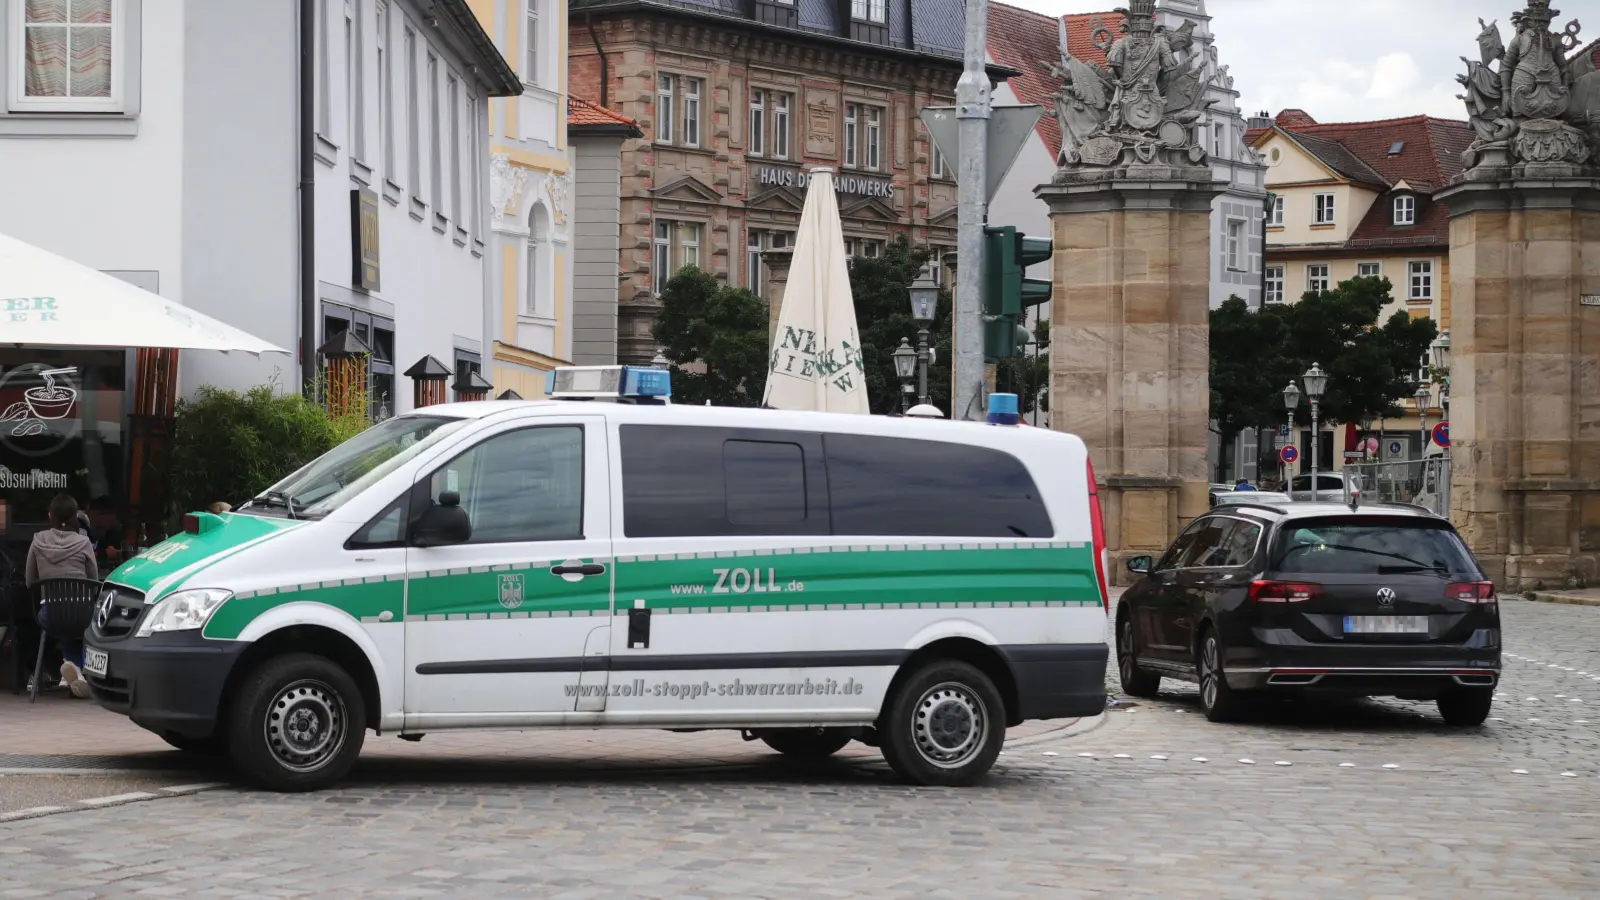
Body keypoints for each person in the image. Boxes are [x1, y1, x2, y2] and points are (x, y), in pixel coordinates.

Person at [24, 494, 98, 698]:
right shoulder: (84, 542)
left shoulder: (38, 541)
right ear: (76, 516)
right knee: (78, 617)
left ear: (50, 515)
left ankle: (72, 669)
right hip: (83, 614)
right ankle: (78, 670)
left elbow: (30, 581)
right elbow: (94, 579)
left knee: (61, 614)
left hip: (51, 615)